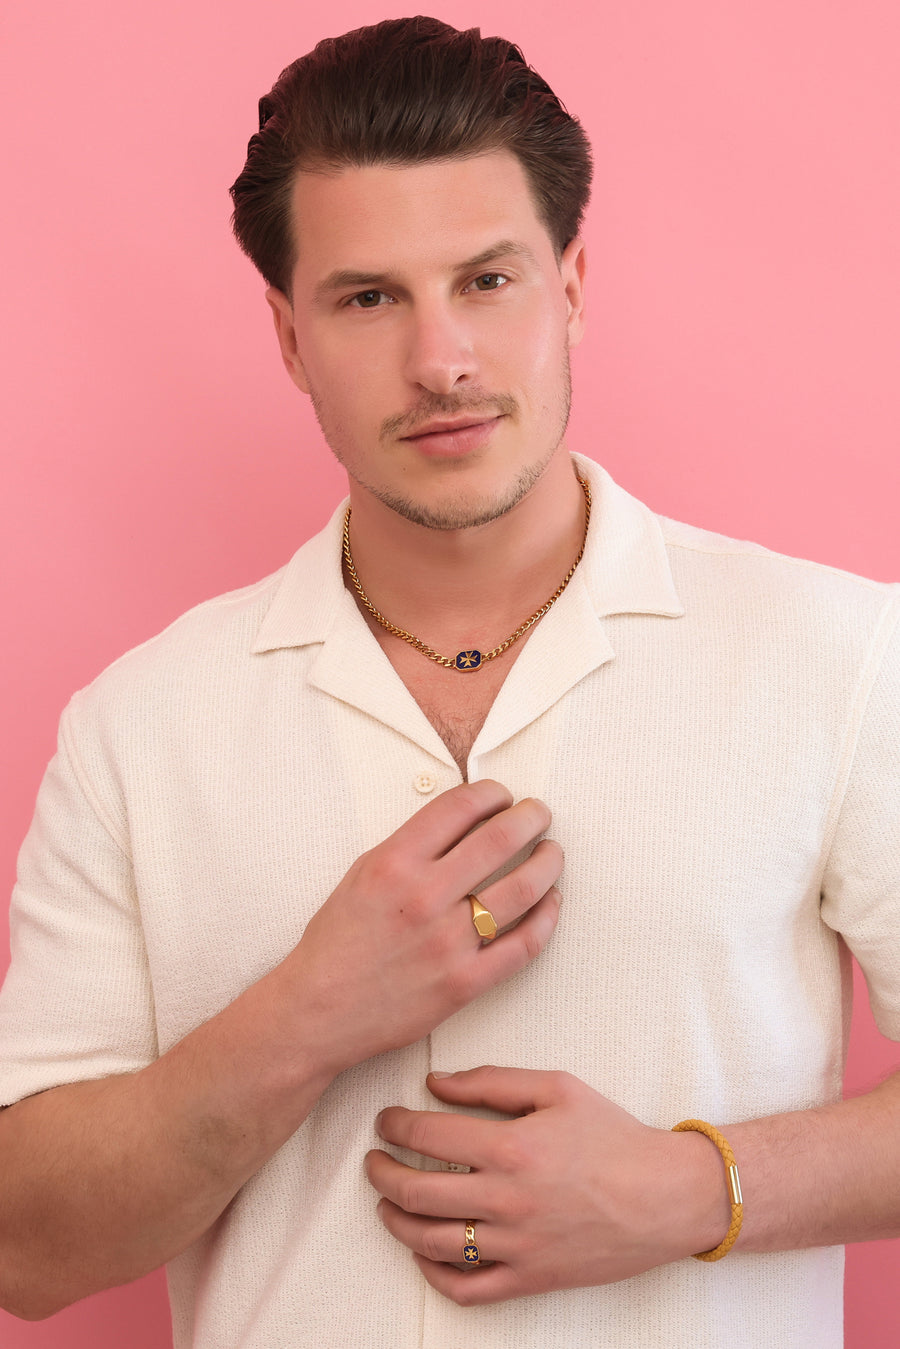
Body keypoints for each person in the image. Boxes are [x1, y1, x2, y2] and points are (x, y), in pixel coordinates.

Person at [0, 15, 898, 1348]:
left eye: (487, 280)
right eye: (368, 298)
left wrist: (686, 1190)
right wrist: (307, 1014)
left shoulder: (839, 655)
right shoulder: (138, 729)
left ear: (571, 284)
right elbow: (26, 1247)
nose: (441, 361)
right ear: (289, 335)